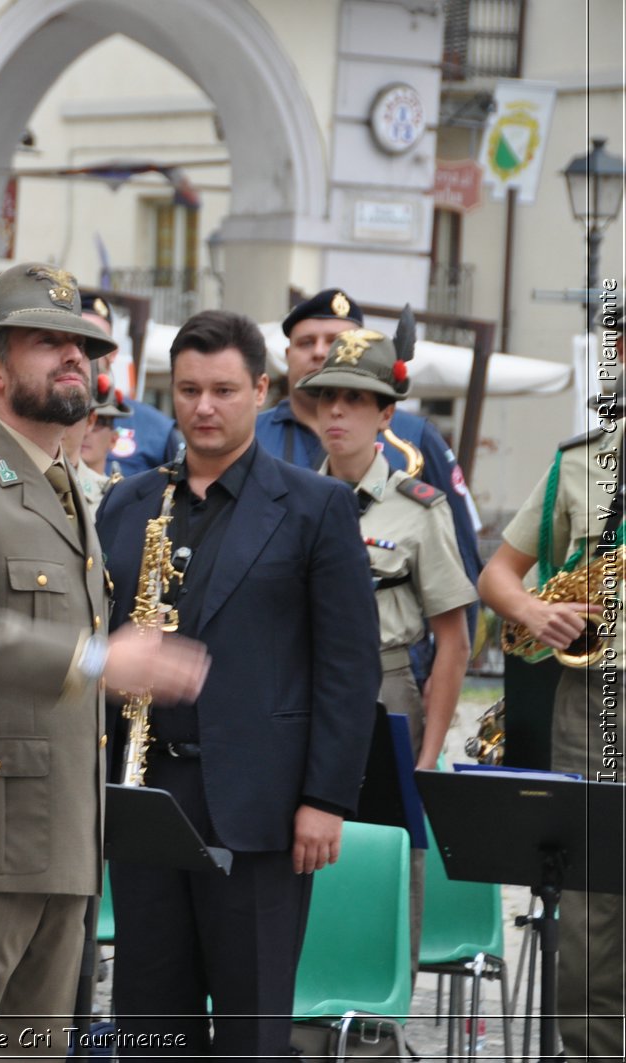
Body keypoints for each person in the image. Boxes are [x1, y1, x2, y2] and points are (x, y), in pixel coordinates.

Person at [0, 263, 208, 1055]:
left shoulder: (74, 488)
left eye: (82, 345)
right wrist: (97, 658)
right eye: (47, 342)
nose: (73, 358)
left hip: (61, 847)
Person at [97, 309, 378, 1057]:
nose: (204, 407)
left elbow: (349, 666)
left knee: (252, 1032)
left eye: (224, 389)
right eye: (188, 389)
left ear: (262, 388)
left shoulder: (316, 506)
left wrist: (325, 798)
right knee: (150, 1023)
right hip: (146, 799)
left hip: (263, 806)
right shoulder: (127, 503)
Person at [298, 325, 476, 975]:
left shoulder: (419, 509)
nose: (337, 412)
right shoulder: (293, 501)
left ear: (385, 414)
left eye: (355, 398)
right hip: (305, 694)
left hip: (387, 692)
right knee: (298, 853)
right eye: (327, 398)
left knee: (388, 857)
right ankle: (297, 1015)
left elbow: (454, 638)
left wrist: (426, 758)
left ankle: (374, 1019)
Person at [479, 379, 622, 1061]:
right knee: (592, 919)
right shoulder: (577, 463)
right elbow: (499, 575)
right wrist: (535, 612)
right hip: (593, 706)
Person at [256, 289, 482, 591]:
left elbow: (462, 557)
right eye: (306, 342)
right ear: (286, 356)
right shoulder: (251, 437)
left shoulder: (416, 435)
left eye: (336, 342)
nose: (321, 352)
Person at [82, 294, 180, 477]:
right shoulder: (39, 417)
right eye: (79, 342)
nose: (87, 352)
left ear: (112, 354)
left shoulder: (155, 428)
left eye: (97, 342)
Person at [64, 372, 131, 511]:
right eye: (75, 417)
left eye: (99, 423)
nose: (86, 431)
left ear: (114, 439)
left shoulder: (119, 498)